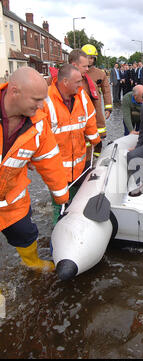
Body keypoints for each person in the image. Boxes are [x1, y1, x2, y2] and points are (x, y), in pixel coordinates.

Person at [0, 67, 69, 272]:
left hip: (12, 198)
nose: (42, 106)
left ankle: (31, 262)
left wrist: (62, 196)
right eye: (36, 100)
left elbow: (50, 161)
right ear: (14, 92)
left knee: (26, 233)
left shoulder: (38, 123)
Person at [43, 64, 100, 224]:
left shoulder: (81, 96)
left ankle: (73, 222)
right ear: (65, 82)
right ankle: (57, 228)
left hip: (78, 163)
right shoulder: (46, 100)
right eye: (77, 82)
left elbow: (90, 121)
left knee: (75, 198)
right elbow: (38, 133)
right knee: (58, 203)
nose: (81, 85)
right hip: (56, 166)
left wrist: (96, 141)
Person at [68, 49, 103, 158]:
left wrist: (99, 135)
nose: (87, 69)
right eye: (85, 66)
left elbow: (94, 110)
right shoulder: (53, 84)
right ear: (74, 65)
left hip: (82, 139)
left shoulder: (88, 85)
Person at [81, 44, 113, 141]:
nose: (90, 60)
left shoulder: (100, 74)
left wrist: (108, 107)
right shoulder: (77, 71)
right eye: (87, 58)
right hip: (81, 106)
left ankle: (97, 151)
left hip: (95, 104)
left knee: (98, 129)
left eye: (92, 58)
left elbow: (106, 91)